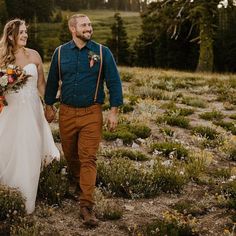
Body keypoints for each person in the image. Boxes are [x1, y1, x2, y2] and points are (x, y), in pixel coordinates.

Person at [44, 14, 123, 226]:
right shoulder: (60, 53)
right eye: (84, 25)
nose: (89, 28)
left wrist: (113, 111)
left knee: (88, 157)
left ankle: (86, 206)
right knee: (71, 156)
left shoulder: (102, 52)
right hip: (67, 113)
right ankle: (78, 183)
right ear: (73, 29)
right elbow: (52, 81)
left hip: (92, 113)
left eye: (90, 24)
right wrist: (49, 105)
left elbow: (114, 82)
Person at [0, 19, 60, 214]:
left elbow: (41, 86)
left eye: (26, 31)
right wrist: (6, 83)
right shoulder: (2, 57)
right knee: (9, 150)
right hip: (12, 110)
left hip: (33, 110)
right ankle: (9, 193)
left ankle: (27, 198)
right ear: (10, 35)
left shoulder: (34, 55)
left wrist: (51, 101)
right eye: (21, 32)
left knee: (31, 151)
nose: (25, 35)